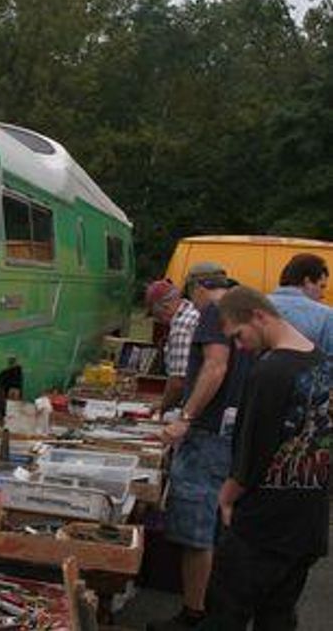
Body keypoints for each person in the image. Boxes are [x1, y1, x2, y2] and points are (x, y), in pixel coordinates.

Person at [207, 286, 331, 629]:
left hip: (262, 527)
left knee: (224, 615)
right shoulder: (324, 363)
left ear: (259, 316)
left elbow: (251, 451)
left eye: (239, 334)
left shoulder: (269, 372)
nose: (239, 346)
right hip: (307, 523)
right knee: (277, 618)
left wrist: (227, 497)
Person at [148, 262, 253, 631]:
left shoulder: (212, 311)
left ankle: (193, 614)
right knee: (215, 525)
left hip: (208, 434)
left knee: (195, 528)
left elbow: (214, 367)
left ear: (196, 287)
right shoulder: (243, 310)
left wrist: (186, 418)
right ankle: (213, 608)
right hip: (230, 433)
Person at [145, 279, 200, 414]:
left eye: (157, 316)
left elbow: (179, 381)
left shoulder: (181, 326)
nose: (159, 321)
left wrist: (162, 405)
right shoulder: (193, 311)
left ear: (166, 308)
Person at [269, 253, 332, 356]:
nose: (322, 295)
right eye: (322, 286)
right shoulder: (325, 315)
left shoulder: (257, 307)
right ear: (307, 281)